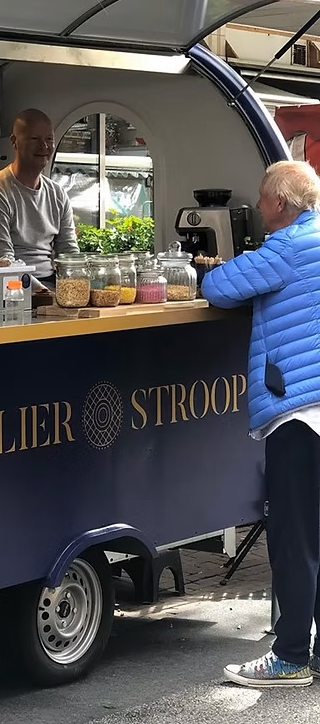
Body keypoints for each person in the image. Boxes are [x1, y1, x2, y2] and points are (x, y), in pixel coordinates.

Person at [201, 160, 320, 688]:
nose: (258, 204)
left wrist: (209, 263)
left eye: (262, 197)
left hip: (296, 409)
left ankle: (291, 654)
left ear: (280, 203)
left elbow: (220, 287)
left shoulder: (287, 247)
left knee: (294, 539)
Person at [0, 108, 78, 284]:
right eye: (34, 139)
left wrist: (73, 288)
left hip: (52, 285)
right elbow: (4, 263)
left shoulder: (57, 194)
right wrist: (44, 293)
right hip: (10, 288)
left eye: (49, 139)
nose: (43, 147)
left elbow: (69, 253)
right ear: (14, 142)